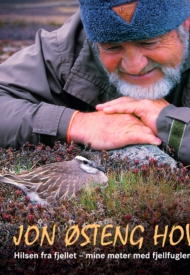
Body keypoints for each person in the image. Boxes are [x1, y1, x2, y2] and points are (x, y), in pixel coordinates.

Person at [0, 0, 190, 164]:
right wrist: (75, 124)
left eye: (149, 43)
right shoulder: (66, 47)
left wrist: (170, 122)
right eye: (112, 47)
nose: (134, 67)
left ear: (186, 23)